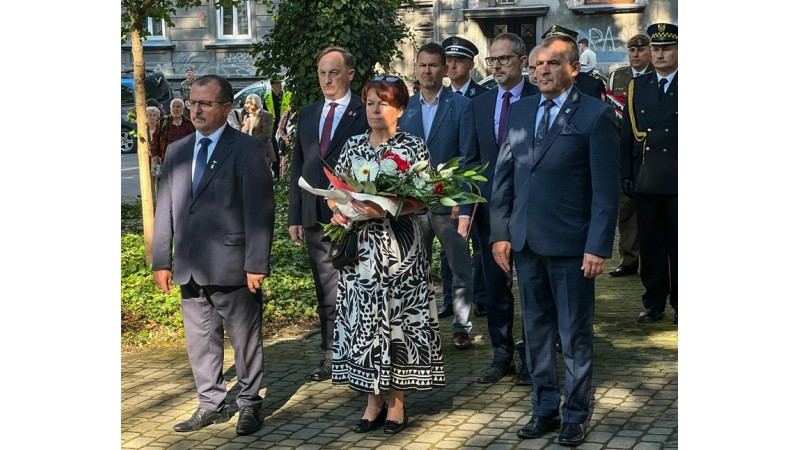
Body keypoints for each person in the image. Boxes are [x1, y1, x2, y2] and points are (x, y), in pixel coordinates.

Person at [490, 26, 619, 446]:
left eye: (552, 64)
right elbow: (504, 177)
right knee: (537, 334)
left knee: (575, 336)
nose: (542, 71)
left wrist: (598, 246)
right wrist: (500, 233)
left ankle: (576, 413)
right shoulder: (522, 111)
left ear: (574, 68)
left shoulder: (595, 116)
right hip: (525, 244)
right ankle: (544, 408)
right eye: (536, 65)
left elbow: (605, 190)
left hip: (571, 247)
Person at [152, 74, 274, 436]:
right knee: (200, 341)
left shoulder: (247, 149)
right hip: (190, 266)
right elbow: (166, 210)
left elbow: (259, 212)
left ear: (226, 107)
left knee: (244, 339)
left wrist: (256, 263)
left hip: (234, 266)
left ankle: (250, 404)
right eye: (192, 102)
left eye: (205, 103)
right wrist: (162, 260)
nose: (196, 109)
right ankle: (211, 404)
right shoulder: (177, 150)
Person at [329, 76, 444, 436]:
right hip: (361, 252)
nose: (375, 110)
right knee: (365, 322)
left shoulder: (412, 147)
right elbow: (335, 190)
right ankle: (372, 401)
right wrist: (337, 208)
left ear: (401, 109)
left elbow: (427, 198)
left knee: (398, 323)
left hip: (401, 251)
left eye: (383, 103)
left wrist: (389, 209)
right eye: (369, 103)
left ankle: (396, 403)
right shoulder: (351, 146)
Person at [288, 46, 369, 382]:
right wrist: (294, 215)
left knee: (358, 287)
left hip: (355, 215)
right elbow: (297, 167)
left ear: (350, 74)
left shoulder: (364, 112)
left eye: (333, 72)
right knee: (326, 290)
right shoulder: (307, 113)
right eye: (322, 73)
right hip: (314, 215)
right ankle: (331, 355)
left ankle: (361, 354)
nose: (326, 79)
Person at [465, 32, 539, 385]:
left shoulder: (540, 98)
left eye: (504, 59)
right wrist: (466, 210)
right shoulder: (479, 102)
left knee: (531, 287)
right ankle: (501, 355)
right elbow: (471, 159)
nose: (496, 66)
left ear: (523, 61)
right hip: (490, 213)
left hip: (529, 210)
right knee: (496, 287)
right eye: (491, 60)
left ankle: (532, 358)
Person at [398, 42, 477, 350]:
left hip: (449, 204)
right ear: (416, 69)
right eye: (422, 65)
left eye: (433, 65)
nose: (427, 71)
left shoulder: (461, 106)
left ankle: (461, 325)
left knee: (460, 268)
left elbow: (468, 157)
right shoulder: (406, 108)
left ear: (445, 70)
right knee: (412, 269)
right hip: (414, 207)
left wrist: (463, 201)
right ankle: (418, 327)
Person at [620, 23, 678, 325]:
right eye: (656, 49)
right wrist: (626, 173)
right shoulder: (637, 87)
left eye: (666, 48)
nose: (659, 54)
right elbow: (628, 135)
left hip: (679, 179)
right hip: (646, 178)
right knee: (652, 246)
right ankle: (653, 302)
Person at [439, 36, 489, 319]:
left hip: (476, 181)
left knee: (481, 244)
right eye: (449, 61)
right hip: (448, 182)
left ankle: (481, 296)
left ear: (471, 64)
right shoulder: (442, 99)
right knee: (450, 246)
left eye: (459, 60)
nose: (452, 65)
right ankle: (449, 298)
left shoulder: (483, 97)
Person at [607, 34, 655, 278]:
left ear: (649, 51)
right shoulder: (619, 76)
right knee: (625, 208)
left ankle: (653, 259)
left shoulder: (659, 74)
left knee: (652, 208)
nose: (636, 54)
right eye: (632, 50)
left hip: (652, 150)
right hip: (623, 148)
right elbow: (611, 109)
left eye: (641, 49)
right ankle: (628, 259)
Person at [264, 77, 292, 175]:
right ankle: (276, 171)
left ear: (280, 86)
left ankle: (285, 171)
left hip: (285, 125)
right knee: (274, 148)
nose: (275, 88)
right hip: (274, 125)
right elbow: (265, 112)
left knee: (284, 147)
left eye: (277, 85)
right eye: (273, 86)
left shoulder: (288, 95)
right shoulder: (267, 97)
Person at [240, 93, 276, 167]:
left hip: (262, 153)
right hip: (248, 153)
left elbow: (266, 135)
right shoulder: (246, 116)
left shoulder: (267, 115)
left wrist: (251, 144)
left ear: (254, 104)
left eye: (247, 103)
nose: (245, 105)